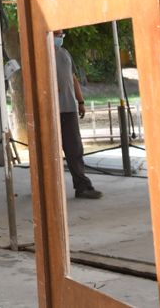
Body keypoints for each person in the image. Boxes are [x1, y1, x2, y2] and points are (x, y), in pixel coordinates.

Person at [54, 30, 103, 199]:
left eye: (61, 35)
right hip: (49, 111)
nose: (59, 37)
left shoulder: (65, 53)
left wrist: (80, 101)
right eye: (56, 34)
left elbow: (73, 78)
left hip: (69, 108)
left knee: (75, 149)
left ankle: (82, 186)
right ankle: (47, 190)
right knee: (48, 152)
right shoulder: (40, 55)